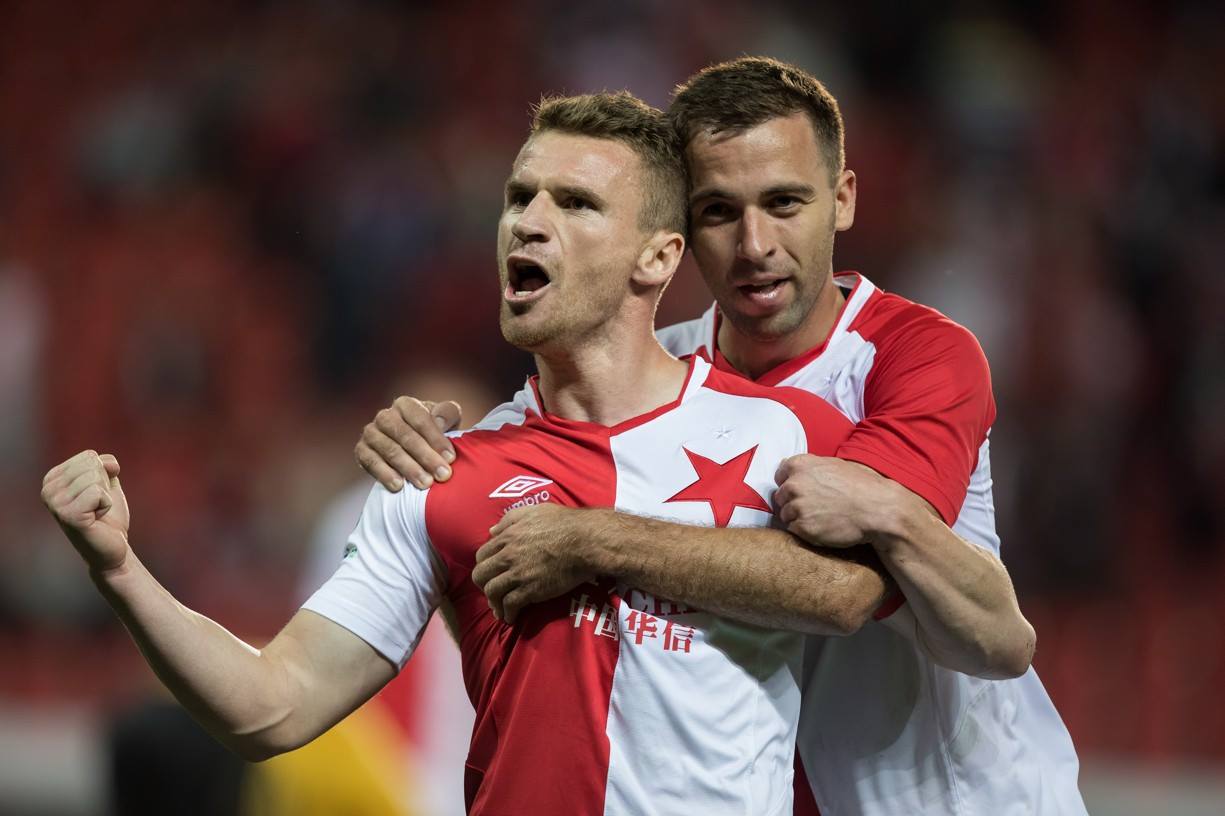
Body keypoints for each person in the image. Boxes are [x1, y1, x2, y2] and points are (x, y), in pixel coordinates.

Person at [42, 92, 897, 816]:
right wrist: (119, 568)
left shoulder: (783, 433)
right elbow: (272, 707)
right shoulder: (438, 474)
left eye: (575, 203)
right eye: (520, 196)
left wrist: (593, 541)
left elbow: (855, 594)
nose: (529, 222)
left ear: (657, 256)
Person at [355, 57, 1088, 815]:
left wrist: (593, 538)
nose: (754, 244)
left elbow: (928, 617)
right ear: (674, 233)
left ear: (841, 201)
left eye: (784, 203)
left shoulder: (913, 356)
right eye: (717, 211)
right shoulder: (657, 371)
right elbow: (499, 519)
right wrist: (427, 453)